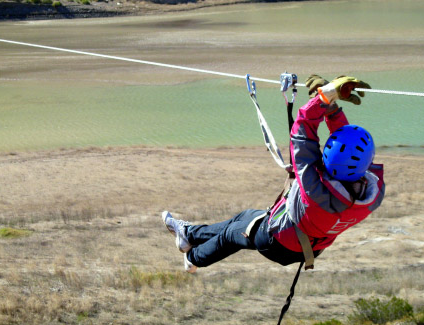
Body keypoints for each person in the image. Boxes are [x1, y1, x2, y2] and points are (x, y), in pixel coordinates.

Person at [162, 74, 385, 274]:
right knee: (244, 217)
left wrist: (324, 98)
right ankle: (188, 235)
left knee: (232, 235)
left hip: (279, 242)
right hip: (310, 246)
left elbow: (303, 129)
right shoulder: (372, 195)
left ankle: (192, 259)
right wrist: (331, 107)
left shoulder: (314, 185)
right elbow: (347, 148)